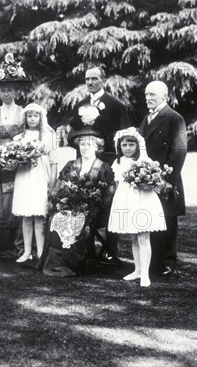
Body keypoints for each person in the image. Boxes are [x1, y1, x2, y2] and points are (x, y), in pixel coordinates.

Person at [69, 66, 130, 265]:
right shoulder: (80, 104)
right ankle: (85, 245)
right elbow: (73, 133)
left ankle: (111, 249)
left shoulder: (114, 104)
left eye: (94, 79)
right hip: (85, 161)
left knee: (110, 202)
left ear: (103, 80)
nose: (90, 83)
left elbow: (123, 134)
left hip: (108, 161)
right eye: (87, 79)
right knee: (83, 197)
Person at [38, 128, 114, 277]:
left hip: (91, 210)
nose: (85, 147)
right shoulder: (70, 164)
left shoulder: (104, 167)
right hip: (67, 206)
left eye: (89, 144)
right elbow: (59, 186)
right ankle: (54, 264)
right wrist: (60, 201)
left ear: (96, 147)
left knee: (78, 220)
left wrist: (92, 206)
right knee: (57, 217)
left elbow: (108, 193)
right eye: (82, 144)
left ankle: (71, 264)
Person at [138, 81, 187, 277]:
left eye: (152, 95)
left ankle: (168, 262)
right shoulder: (147, 117)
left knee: (168, 219)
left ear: (164, 97)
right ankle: (154, 261)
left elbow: (179, 151)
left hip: (165, 178)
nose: (148, 98)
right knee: (151, 218)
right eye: (146, 94)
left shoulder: (175, 118)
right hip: (146, 177)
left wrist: (169, 181)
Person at [0, 53, 29, 256]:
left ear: (15, 91)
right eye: (3, 90)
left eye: (10, 89)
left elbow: (30, 136)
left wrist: (19, 153)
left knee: (16, 200)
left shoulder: (24, 112)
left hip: (18, 164)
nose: (6, 93)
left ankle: (17, 245)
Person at [107, 128, 166, 287]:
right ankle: (137, 269)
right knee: (133, 237)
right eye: (124, 145)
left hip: (142, 199)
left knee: (143, 237)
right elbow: (118, 183)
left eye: (131, 144)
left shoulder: (144, 160)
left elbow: (154, 180)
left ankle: (145, 274)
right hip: (125, 199)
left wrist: (144, 182)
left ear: (138, 145)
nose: (127, 148)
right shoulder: (117, 162)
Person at [12, 103, 58, 263]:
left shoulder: (49, 135)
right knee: (26, 215)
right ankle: (26, 252)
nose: (32, 119)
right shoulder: (19, 138)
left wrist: (52, 182)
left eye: (35, 115)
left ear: (41, 117)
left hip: (40, 175)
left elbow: (54, 161)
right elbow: (13, 160)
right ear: (25, 118)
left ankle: (40, 251)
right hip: (25, 176)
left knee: (38, 216)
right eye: (29, 116)